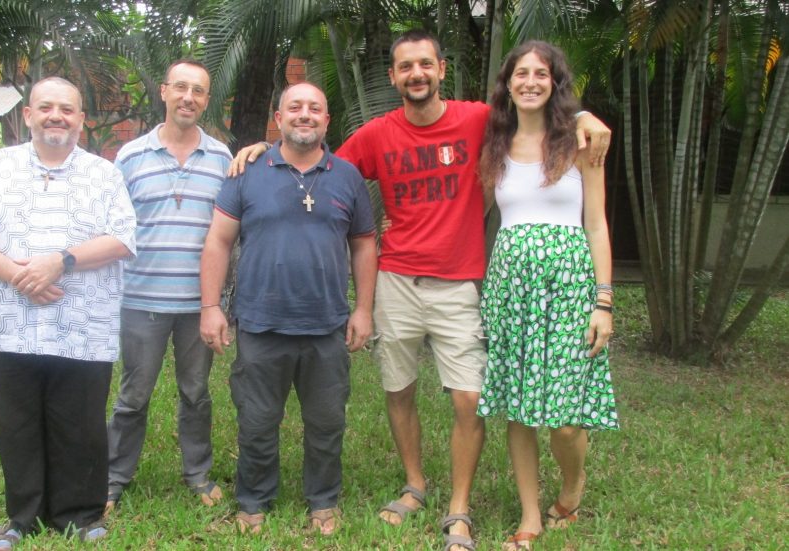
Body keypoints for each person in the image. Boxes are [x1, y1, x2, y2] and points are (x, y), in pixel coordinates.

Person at [230, 29, 611, 551]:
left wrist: (585, 115)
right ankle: (415, 484)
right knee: (398, 389)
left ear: (441, 70)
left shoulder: (478, 119)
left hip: (460, 283)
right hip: (396, 281)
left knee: (469, 398)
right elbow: (317, 162)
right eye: (405, 67)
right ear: (393, 77)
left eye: (425, 65)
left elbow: (536, 105)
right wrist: (261, 148)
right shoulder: (377, 134)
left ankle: (459, 508)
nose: (416, 75)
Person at [0, 77, 138, 550]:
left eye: (68, 109)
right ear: (28, 116)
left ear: (81, 120)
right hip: (8, 326)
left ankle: (80, 513)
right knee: (15, 423)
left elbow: (122, 239)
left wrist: (61, 260)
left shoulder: (104, 174)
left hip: (82, 325)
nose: (57, 116)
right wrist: (18, 275)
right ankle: (23, 516)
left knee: (80, 423)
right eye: (46, 107)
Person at [199, 82, 377, 536]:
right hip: (260, 323)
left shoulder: (347, 176)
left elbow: (363, 246)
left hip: (326, 325)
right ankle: (254, 499)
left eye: (314, 108)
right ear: (278, 118)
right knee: (257, 421)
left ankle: (323, 500)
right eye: (294, 107)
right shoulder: (247, 172)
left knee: (327, 421)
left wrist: (364, 310)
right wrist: (210, 306)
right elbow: (219, 241)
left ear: (326, 121)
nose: (304, 114)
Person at [476, 41, 618, 550]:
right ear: (508, 83)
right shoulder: (494, 141)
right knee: (518, 409)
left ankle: (573, 482)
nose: (530, 81)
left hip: (571, 287)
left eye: (542, 74)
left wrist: (604, 301)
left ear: (555, 83)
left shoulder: (580, 143)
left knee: (565, 420)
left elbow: (597, 225)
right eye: (521, 73)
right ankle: (531, 515)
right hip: (511, 287)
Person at [104, 59, 231, 514]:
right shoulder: (130, 157)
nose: (188, 98)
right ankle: (114, 478)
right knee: (133, 396)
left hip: (201, 305)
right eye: (181, 88)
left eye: (198, 91)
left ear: (205, 99)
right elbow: (112, 226)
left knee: (195, 393)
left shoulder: (222, 158)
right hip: (141, 302)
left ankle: (197, 473)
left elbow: (232, 229)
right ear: (163, 92)